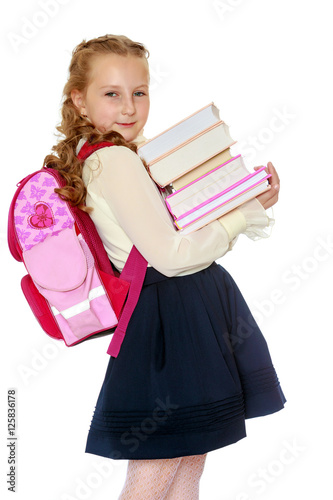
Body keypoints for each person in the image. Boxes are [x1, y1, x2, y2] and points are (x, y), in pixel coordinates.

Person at [45, 34, 286, 500]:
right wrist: (245, 212)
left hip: (177, 314)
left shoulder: (114, 154)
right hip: (173, 321)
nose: (130, 108)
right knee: (156, 476)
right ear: (79, 98)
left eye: (140, 92)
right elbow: (172, 257)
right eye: (111, 94)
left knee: (185, 467)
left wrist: (239, 200)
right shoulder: (114, 160)